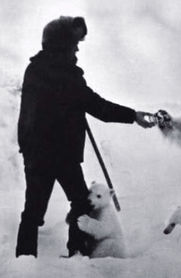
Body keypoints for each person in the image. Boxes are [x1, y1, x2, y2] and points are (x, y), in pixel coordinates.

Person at [16, 16, 156, 258]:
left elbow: (29, 114)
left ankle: (25, 263)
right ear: (62, 45)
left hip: (37, 154)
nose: (78, 49)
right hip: (61, 155)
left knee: (33, 212)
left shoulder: (35, 69)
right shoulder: (67, 75)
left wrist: (27, 149)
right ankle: (77, 254)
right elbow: (98, 107)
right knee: (80, 204)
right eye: (75, 44)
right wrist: (133, 116)